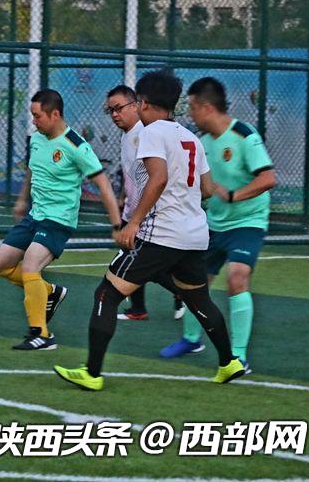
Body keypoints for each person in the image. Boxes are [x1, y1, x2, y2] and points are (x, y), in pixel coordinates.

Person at [54, 70, 245, 391]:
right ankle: (229, 362)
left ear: (143, 102)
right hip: (194, 235)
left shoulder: (152, 132)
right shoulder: (191, 138)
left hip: (162, 233)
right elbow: (207, 189)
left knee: (106, 294)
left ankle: (92, 373)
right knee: (198, 299)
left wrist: (133, 222)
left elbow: (158, 178)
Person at [159, 77, 275, 373]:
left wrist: (234, 195)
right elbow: (200, 185)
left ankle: (238, 356)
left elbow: (268, 178)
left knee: (237, 277)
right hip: (213, 225)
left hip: (247, 222)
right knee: (192, 282)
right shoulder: (202, 143)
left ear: (207, 107)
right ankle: (191, 340)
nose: (190, 113)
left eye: (192, 107)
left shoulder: (244, 136)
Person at [0, 89, 121, 351]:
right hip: (35, 216)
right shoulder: (37, 139)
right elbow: (32, 169)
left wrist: (117, 225)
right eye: (32, 115)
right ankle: (49, 291)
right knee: (0, 263)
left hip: (58, 220)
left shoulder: (76, 146)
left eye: (37, 116)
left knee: (30, 265)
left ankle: (41, 335)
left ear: (55, 114)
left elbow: (103, 185)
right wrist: (21, 199)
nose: (34, 121)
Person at [105, 85, 186, 322]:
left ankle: (181, 291)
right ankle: (139, 309)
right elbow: (132, 172)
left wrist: (140, 215)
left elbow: (158, 176)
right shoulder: (126, 134)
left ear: (135, 105)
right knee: (132, 257)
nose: (114, 114)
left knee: (142, 263)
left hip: (147, 215)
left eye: (119, 108)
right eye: (110, 110)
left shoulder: (146, 133)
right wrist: (123, 197)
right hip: (132, 212)